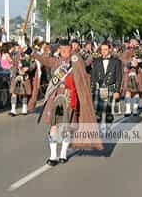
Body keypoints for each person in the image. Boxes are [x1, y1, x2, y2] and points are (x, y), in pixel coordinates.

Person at [33, 38, 102, 166]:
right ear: (59, 49)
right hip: (56, 96)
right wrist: (32, 52)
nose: (65, 51)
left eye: (67, 49)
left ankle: (63, 154)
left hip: (69, 96)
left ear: (70, 49)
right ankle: (53, 156)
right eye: (62, 49)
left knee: (66, 127)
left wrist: (88, 56)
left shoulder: (75, 61)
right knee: (53, 126)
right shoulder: (55, 61)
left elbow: (83, 69)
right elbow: (43, 60)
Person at [91, 41, 122, 125]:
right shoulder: (96, 61)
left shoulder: (116, 61)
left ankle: (108, 131)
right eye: (102, 49)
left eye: (105, 49)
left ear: (110, 49)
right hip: (100, 88)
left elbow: (119, 77)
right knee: (98, 113)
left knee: (109, 114)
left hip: (111, 87)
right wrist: (92, 90)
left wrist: (117, 91)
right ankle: (99, 132)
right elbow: (93, 77)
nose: (103, 51)